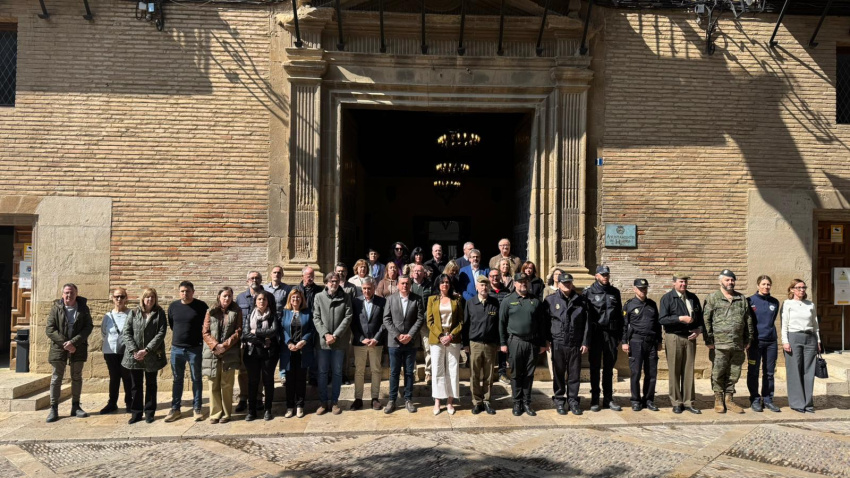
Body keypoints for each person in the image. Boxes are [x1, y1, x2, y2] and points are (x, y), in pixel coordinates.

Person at [704, 269, 753, 414]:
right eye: (727, 280)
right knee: (718, 372)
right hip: (719, 344)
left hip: (738, 343)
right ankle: (718, 399)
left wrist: (748, 338)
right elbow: (706, 319)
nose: (730, 282)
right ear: (720, 281)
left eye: (732, 280)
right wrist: (708, 339)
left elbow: (748, 320)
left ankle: (729, 399)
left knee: (734, 372)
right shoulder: (713, 298)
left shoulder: (741, 298)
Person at [499, 273, 547, 416]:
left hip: (532, 342)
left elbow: (541, 325)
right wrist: (503, 343)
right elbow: (501, 323)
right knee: (515, 374)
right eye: (520, 282)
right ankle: (517, 403)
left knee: (529, 374)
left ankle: (527, 402)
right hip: (515, 342)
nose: (523, 284)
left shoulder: (535, 301)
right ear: (514, 284)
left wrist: (542, 343)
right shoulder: (508, 300)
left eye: (525, 281)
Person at [45, 284, 94, 423]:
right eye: (66, 293)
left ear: (76, 294)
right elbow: (50, 329)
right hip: (59, 349)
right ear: (62, 294)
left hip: (78, 348)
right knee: (56, 378)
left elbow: (88, 327)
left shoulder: (83, 308)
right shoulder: (56, 308)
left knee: (76, 377)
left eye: (71, 293)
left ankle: (76, 406)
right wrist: (65, 344)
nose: (69, 295)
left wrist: (74, 343)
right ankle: (53, 408)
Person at [659, 273, 703, 414]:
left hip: (690, 337)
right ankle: (676, 402)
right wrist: (680, 318)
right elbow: (662, 319)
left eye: (685, 282)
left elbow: (700, 318)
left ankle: (689, 402)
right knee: (674, 370)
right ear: (674, 283)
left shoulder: (693, 298)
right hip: (674, 337)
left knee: (689, 370)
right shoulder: (667, 298)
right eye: (680, 282)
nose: (683, 284)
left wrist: (699, 330)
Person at [122, 288, 168, 424]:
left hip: (151, 355)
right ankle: (136, 413)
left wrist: (146, 350)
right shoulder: (134, 312)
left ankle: (149, 412)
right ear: (142, 299)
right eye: (147, 297)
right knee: (136, 385)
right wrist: (135, 351)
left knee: (151, 384)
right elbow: (126, 332)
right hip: (134, 356)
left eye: (152, 297)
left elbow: (161, 333)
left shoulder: (159, 313)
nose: (150, 300)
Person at [546, 273, 589, 416]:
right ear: (558, 284)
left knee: (574, 374)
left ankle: (573, 401)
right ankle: (559, 400)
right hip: (558, 342)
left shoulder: (581, 301)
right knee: (558, 374)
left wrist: (585, 342)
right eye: (564, 283)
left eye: (569, 283)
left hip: (575, 343)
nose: (566, 285)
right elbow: (545, 323)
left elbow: (586, 324)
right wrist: (547, 341)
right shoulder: (550, 301)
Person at [166, 281, 208, 422]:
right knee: (177, 379)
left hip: (195, 349)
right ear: (179, 292)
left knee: (196, 378)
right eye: (182, 291)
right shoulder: (173, 306)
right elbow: (172, 324)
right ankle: (175, 409)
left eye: (188, 291)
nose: (185, 293)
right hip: (177, 348)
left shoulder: (201, 306)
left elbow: (207, 325)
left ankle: (197, 408)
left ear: (193, 292)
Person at [382, 275, 425, 414]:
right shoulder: (390, 299)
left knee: (408, 372)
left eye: (407, 283)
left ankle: (408, 399)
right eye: (402, 283)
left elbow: (420, 319)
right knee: (394, 372)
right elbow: (386, 319)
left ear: (410, 284)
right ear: (398, 285)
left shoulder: (417, 299)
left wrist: (410, 335)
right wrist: (398, 335)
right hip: (394, 342)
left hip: (410, 342)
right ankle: (392, 400)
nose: (405, 286)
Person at [583, 265, 623, 412]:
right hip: (595, 335)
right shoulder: (588, 292)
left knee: (609, 368)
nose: (605, 277)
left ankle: (608, 399)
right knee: (594, 367)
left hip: (611, 335)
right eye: (602, 274)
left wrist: (620, 336)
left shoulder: (615, 292)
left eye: (607, 274)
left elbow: (619, 315)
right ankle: (594, 399)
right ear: (596, 276)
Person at [313, 272, 353, 415]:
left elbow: (348, 317)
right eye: (331, 282)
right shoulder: (318, 297)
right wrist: (325, 334)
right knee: (322, 372)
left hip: (339, 342)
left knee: (337, 373)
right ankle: (323, 402)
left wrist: (335, 335)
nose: (333, 284)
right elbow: (316, 317)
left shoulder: (346, 297)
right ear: (326, 283)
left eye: (336, 281)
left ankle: (335, 402)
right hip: (323, 343)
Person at [202, 287, 242, 424]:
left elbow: (238, 331)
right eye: (224, 296)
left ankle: (226, 413)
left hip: (229, 352)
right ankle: (215, 413)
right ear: (219, 296)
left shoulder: (236, 311)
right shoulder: (210, 311)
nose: (227, 299)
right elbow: (205, 332)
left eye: (229, 296)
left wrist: (224, 346)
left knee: (227, 384)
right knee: (213, 384)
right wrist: (215, 346)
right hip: (212, 352)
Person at [622, 279, 662, 412]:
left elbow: (657, 325)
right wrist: (624, 342)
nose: (643, 291)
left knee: (651, 373)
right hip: (636, 342)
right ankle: (635, 400)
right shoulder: (629, 305)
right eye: (640, 288)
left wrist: (659, 341)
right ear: (634, 289)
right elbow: (624, 325)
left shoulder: (652, 304)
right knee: (636, 372)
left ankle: (649, 400)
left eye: (645, 288)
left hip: (651, 342)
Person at [782, 279, 821, 413]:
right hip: (794, 337)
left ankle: (808, 403)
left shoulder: (810, 304)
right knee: (794, 370)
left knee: (809, 371)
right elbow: (784, 324)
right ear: (792, 289)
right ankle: (797, 403)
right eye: (798, 287)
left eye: (804, 287)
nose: (802, 290)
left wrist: (818, 341)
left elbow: (815, 324)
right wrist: (785, 341)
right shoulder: (788, 304)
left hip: (810, 338)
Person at [427, 274, 464, 415]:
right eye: (442, 282)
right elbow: (429, 321)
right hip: (437, 339)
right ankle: (437, 401)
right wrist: (441, 335)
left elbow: (461, 321)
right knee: (437, 369)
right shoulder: (432, 299)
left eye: (447, 282)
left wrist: (451, 335)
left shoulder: (457, 299)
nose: (445, 285)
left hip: (453, 339)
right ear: (438, 284)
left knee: (453, 370)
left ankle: (450, 401)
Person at [235, 274, 272, 413]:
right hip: (246, 341)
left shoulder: (267, 295)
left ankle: (258, 398)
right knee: (243, 371)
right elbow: (237, 319)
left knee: (261, 371)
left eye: (257, 278)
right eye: (251, 278)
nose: (254, 280)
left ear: (261, 280)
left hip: (263, 342)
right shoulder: (240, 298)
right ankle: (243, 398)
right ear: (247, 281)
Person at [463, 276, 500, 415]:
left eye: (486, 285)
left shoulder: (494, 302)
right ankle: (477, 402)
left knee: (489, 375)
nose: (484, 288)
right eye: (481, 285)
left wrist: (499, 343)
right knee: (475, 374)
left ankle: (487, 400)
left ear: (489, 287)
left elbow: (498, 325)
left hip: (490, 344)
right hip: (475, 344)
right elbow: (466, 325)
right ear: (476, 287)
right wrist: (465, 344)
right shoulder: (470, 303)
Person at [350, 277, 386, 411]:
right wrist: (360, 338)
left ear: (374, 287)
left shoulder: (382, 301)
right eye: (364, 288)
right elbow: (352, 322)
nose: (366, 291)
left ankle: (375, 398)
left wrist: (376, 338)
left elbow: (384, 322)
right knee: (359, 371)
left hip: (376, 342)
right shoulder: (356, 301)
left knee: (376, 370)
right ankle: (358, 399)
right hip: (360, 343)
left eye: (369, 288)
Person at [243, 292, 279, 421]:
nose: (262, 301)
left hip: (269, 354)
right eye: (259, 299)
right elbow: (246, 334)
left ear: (267, 302)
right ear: (255, 301)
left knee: (268, 381)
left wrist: (257, 332)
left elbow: (273, 331)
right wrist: (263, 341)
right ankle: (251, 411)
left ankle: (268, 409)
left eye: (264, 299)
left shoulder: (273, 316)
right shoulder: (249, 316)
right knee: (253, 382)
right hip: (252, 353)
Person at [747, 275, 781, 413]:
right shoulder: (750, 301)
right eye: (763, 284)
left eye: (768, 284)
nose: (766, 286)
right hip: (755, 342)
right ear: (758, 285)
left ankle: (767, 399)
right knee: (753, 371)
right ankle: (755, 398)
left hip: (771, 342)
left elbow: (771, 320)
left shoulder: (775, 302)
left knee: (769, 373)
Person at [279, 288, 314, 418]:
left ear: (302, 299)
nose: (296, 300)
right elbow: (281, 329)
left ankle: (300, 405)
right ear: (290, 299)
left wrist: (303, 341)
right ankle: (289, 406)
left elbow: (311, 329)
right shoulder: (285, 313)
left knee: (300, 379)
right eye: (293, 297)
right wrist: (289, 342)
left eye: (298, 297)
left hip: (302, 350)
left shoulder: (307, 313)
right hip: (288, 351)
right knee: (289, 380)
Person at [100, 287, 132, 415]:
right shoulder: (107, 316)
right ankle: (112, 403)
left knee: (127, 377)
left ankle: (129, 402)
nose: (119, 299)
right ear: (112, 299)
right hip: (110, 351)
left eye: (122, 296)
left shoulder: (131, 314)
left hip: (126, 352)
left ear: (126, 299)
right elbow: (103, 333)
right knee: (114, 377)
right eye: (117, 297)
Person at [411, 264, 434, 383]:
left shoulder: (429, 286)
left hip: (425, 321)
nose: (417, 273)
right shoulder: (409, 285)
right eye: (415, 271)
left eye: (419, 271)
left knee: (428, 348)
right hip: (412, 323)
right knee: (412, 348)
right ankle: (412, 372)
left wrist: (424, 316)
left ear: (424, 273)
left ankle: (428, 372)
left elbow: (432, 303)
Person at [488, 269, 511, 385]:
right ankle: (489, 373)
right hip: (490, 325)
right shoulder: (486, 291)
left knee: (502, 350)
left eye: (496, 276)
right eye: (492, 276)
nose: (494, 278)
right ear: (489, 278)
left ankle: (502, 373)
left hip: (503, 325)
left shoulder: (506, 292)